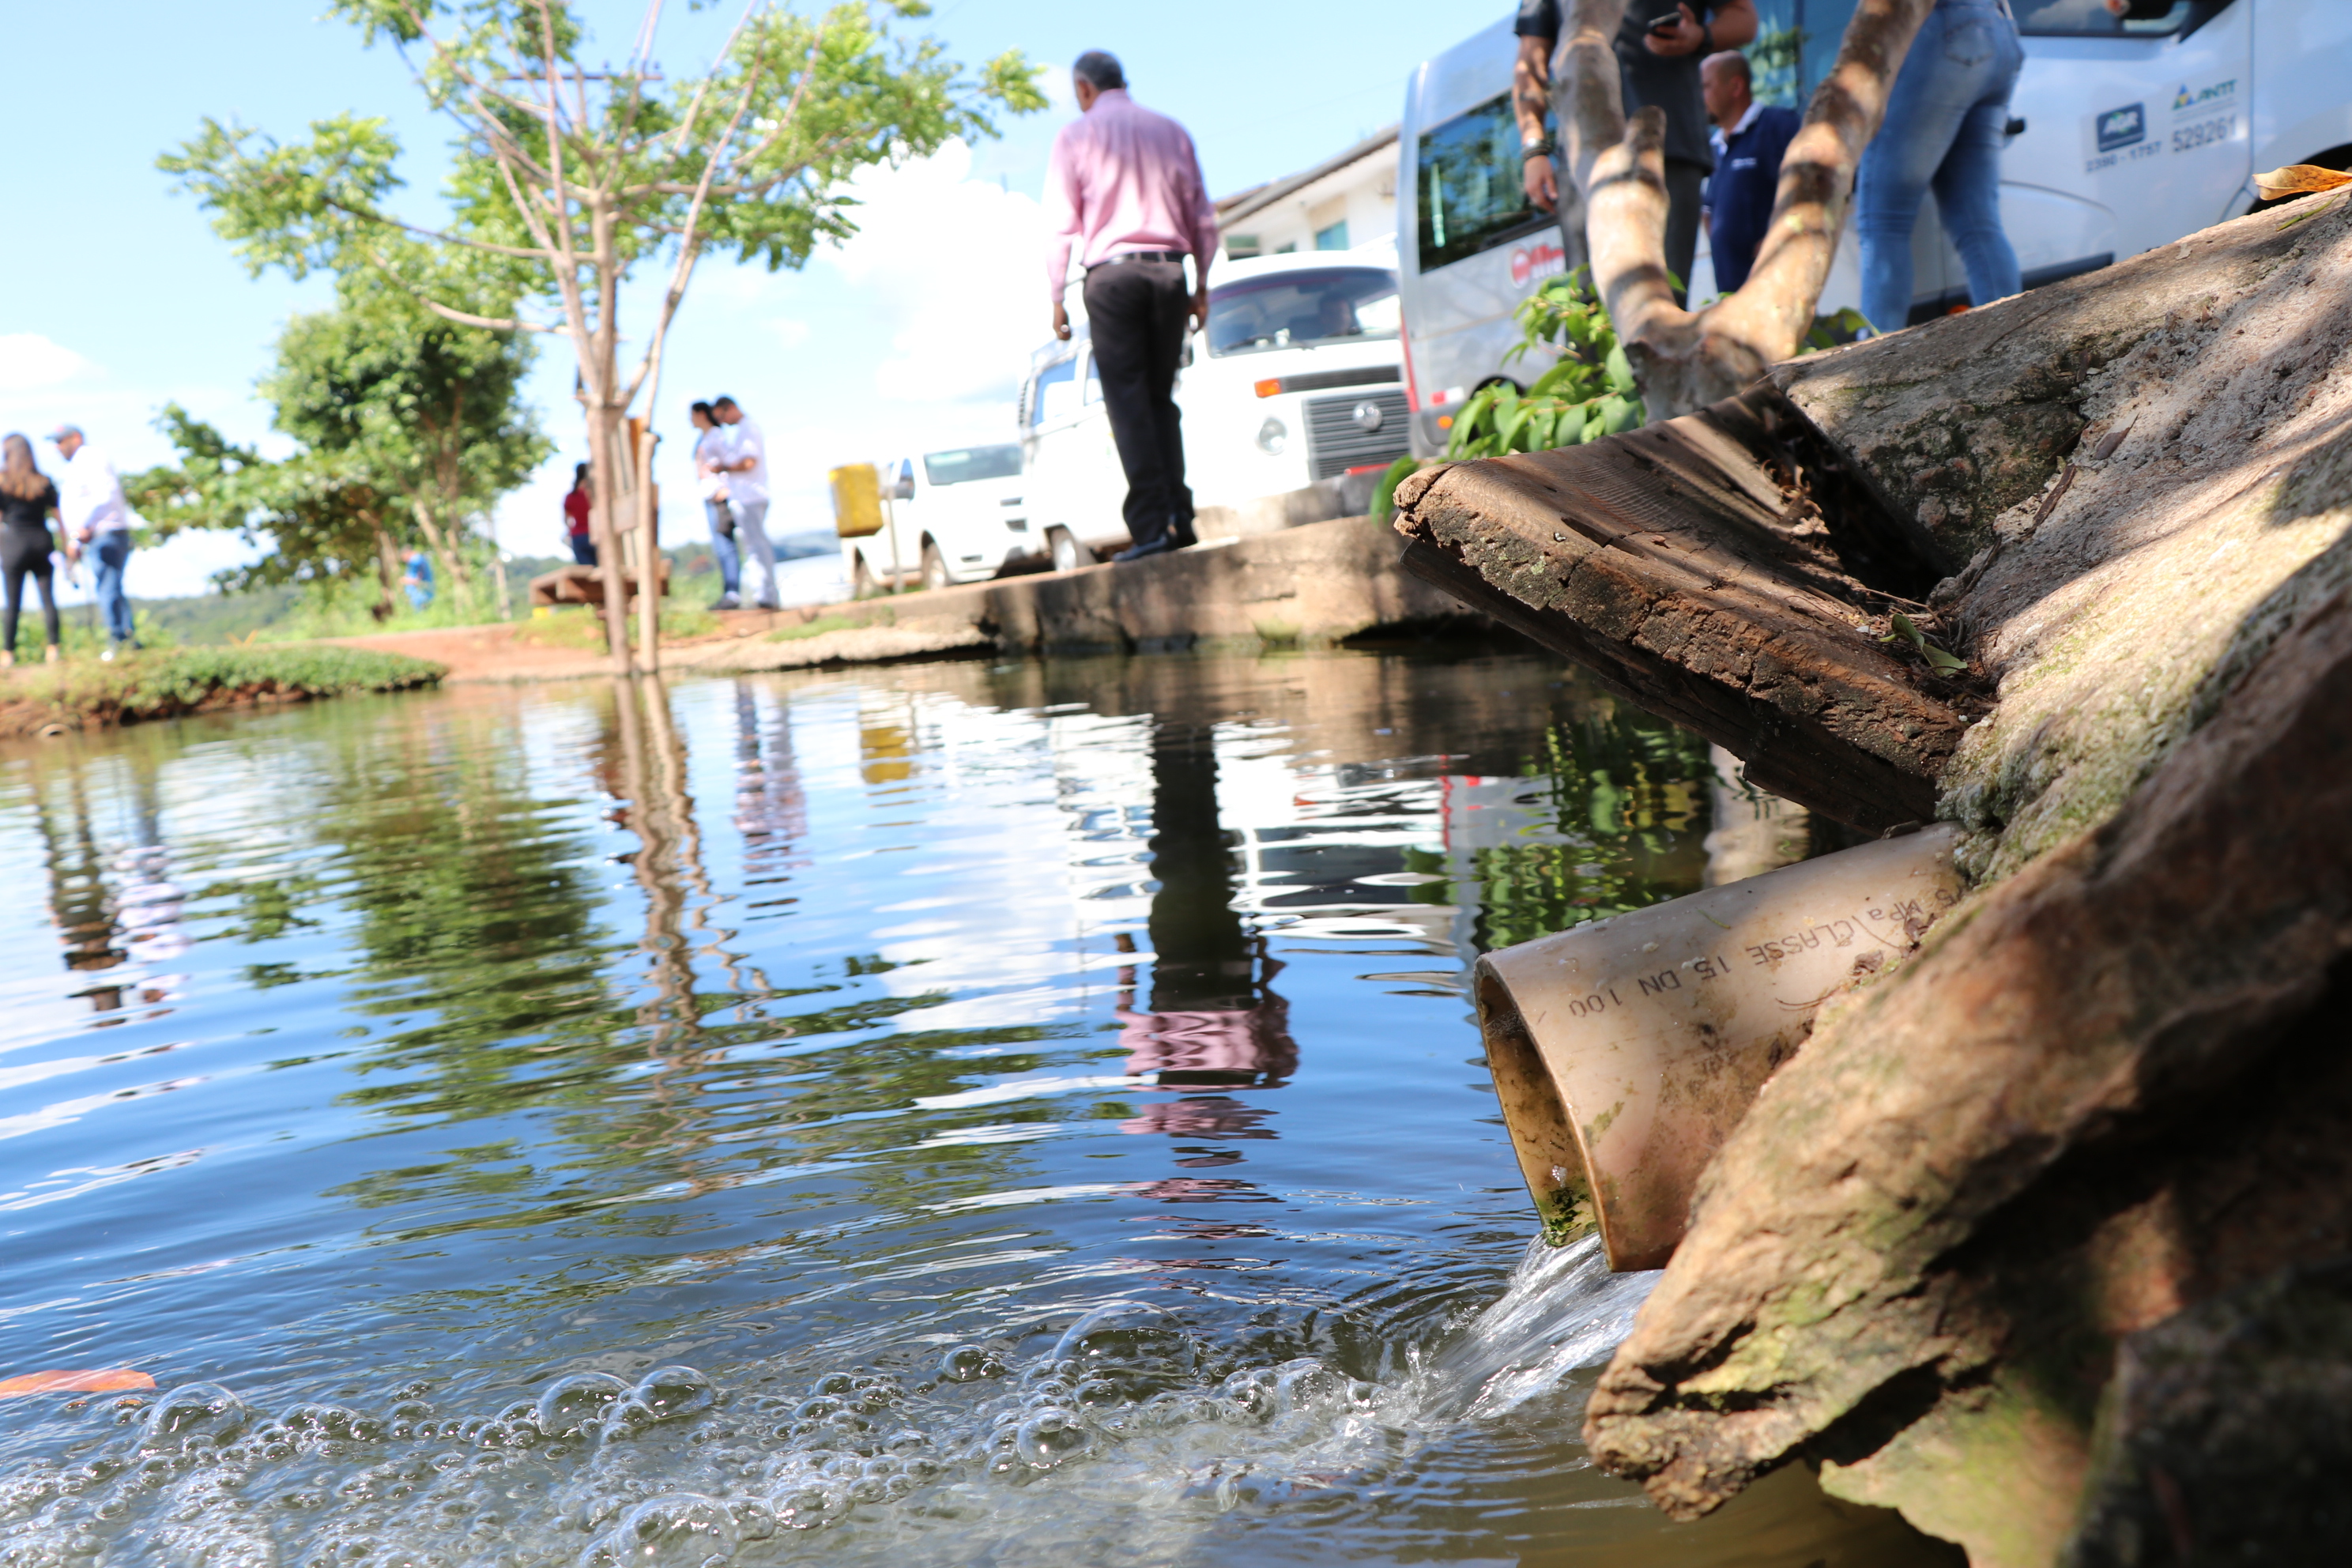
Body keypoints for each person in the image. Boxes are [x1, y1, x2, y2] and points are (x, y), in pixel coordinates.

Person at [1043, 49, 1219, 562]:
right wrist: (1201, 285)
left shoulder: (1075, 135)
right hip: (1169, 273)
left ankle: (1151, 530)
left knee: (1129, 403)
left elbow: (1059, 223)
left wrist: (1056, 297)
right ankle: (1179, 520)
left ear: (1083, 90)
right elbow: (1202, 217)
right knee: (1162, 399)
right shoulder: (1171, 129)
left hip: (1113, 279)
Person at [1513, 0, 1759, 307]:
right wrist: (1534, 149)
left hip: (1672, 147)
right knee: (1586, 301)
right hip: (1582, 159)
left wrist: (1700, 36)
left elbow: (1744, 18)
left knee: (1664, 294)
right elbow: (1530, 62)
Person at [1856, 0, 2025, 334]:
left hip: (1943, 25)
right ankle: (2018, 342)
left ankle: (1866, 370)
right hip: (1999, 29)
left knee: (1884, 222)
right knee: (1979, 223)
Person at [1701, 51, 1801, 292]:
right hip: (1732, 294)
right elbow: (1708, 212)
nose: (1698, 97)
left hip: (1777, 289)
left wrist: (1776, 238)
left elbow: (1809, 187)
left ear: (1735, 86)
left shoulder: (1778, 126)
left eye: (1705, 86)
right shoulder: (1715, 147)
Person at [50, 425, 137, 658]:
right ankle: (125, 638)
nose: (57, 447)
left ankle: (119, 640)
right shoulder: (80, 464)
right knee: (110, 586)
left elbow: (104, 495)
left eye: (60, 441)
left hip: (104, 533)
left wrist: (80, 532)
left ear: (75, 438)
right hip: (98, 533)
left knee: (108, 587)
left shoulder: (90, 458)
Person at [1, 433, 70, 667]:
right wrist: (68, 544)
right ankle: (53, 649)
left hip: (13, 544)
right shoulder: (43, 481)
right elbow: (59, 517)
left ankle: (8, 653)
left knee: (12, 603)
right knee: (48, 598)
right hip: (41, 543)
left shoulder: (2, 481)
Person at [709, 396, 782, 610]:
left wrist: (723, 468)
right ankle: (764, 594)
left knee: (757, 547)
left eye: (722, 417)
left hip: (751, 496)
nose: (722, 422)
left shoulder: (747, 429)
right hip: (747, 496)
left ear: (730, 408)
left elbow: (749, 462)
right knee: (754, 546)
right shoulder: (744, 430)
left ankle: (767, 595)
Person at [690, 401, 741, 610]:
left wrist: (725, 489)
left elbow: (728, 461)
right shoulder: (705, 438)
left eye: (691, 415)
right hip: (710, 496)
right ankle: (729, 592)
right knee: (721, 548)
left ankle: (733, 593)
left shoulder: (716, 436)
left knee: (726, 546)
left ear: (701, 414)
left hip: (719, 496)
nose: (689, 420)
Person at [564, 463, 595, 567]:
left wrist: (569, 533)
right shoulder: (592, 494)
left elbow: (566, 520)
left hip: (577, 537)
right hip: (594, 534)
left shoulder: (570, 496)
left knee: (588, 573)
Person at [401, 548, 434, 612]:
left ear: (407, 554)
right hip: (421, 593)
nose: (405, 561)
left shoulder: (416, 561)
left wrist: (405, 580)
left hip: (421, 593)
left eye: (404, 558)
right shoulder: (418, 560)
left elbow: (418, 579)